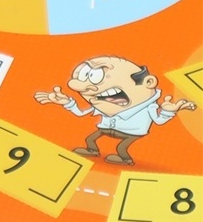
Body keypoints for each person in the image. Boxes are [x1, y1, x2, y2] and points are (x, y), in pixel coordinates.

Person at [34, 55, 197, 166]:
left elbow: (159, 121)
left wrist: (170, 110)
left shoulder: (149, 106)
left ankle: (125, 160)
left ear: (148, 82)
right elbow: (80, 113)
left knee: (121, 148)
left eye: (95, 76)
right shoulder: (102, 105)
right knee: (91, 139)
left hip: (132, 132)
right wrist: (67, 102)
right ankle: (92, 150)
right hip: (106, 128)